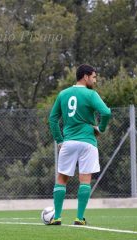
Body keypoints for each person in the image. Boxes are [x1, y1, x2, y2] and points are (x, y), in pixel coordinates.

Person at [48, 64, 111, 225]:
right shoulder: (91, 94)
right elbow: (106, 112)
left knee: (61, 179)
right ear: (85, 76)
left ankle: (56, 217)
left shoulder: (63, 94)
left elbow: (53, 119)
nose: (95, 80)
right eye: (94, 77)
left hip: (68, 142)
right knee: (85, 180)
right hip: (88, 142)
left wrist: (59, 139)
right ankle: (79, 217)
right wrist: (100, 129)